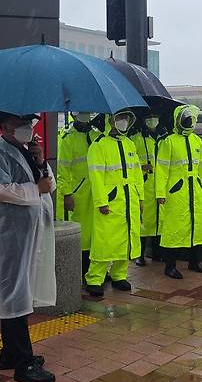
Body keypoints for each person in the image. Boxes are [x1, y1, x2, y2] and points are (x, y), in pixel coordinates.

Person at [0, 111, 56, 382]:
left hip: (28, 234)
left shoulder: (26, 150)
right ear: (6, 125)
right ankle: (23, 363)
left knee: (19, 294)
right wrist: (35, 188)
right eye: (22, 123)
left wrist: (40, 160)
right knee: (13, 295)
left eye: (29, 123)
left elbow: (49, 185)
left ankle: (10, 354)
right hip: (8, 236)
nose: (27, 128)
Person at [85, 111, 143, 296]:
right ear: (110, 120)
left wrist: (140, 198)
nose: (123, 122)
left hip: (129, 199)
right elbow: (96, 177)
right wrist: (102, 201)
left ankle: (119, 275)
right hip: (110, 200)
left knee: (126, 238)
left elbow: (137, 174)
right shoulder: (99, 146)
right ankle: (95, 278)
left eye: (126, 118)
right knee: (104, 240)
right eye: (119, 118)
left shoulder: (129, 144)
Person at [156, 104, 202, 279]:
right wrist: (160, 193)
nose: (189, 121)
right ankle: (170, 266)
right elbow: (161, 169)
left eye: (191, 118)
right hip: (176, 191)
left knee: (196, 226)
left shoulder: (196, 140)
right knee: (174, 228)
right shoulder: (169, 141)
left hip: (194, 189)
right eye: (186, 119)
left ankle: (194, 261)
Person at [57, 112, 100, 281]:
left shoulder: (96, 136)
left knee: (95, 232)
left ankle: (93, 270)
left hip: (96, 192)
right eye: (81, 113)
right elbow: (62, 170)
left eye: (87, 112)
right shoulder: (68, 138)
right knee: (80, 233)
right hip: (77, 194)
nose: (85, 116)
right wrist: (67, 194)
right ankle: (79, 271)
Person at [132, 111, 163, 266]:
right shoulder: (136, 139)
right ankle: (140, 255)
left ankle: (157, 253)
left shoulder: (162, 138)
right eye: (149, 117)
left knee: (159, 220)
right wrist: (141, 166)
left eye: (154, 116)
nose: (152, 119)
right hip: (145, 185)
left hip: (160, 185)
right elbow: (130, 161)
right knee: (144, 222)